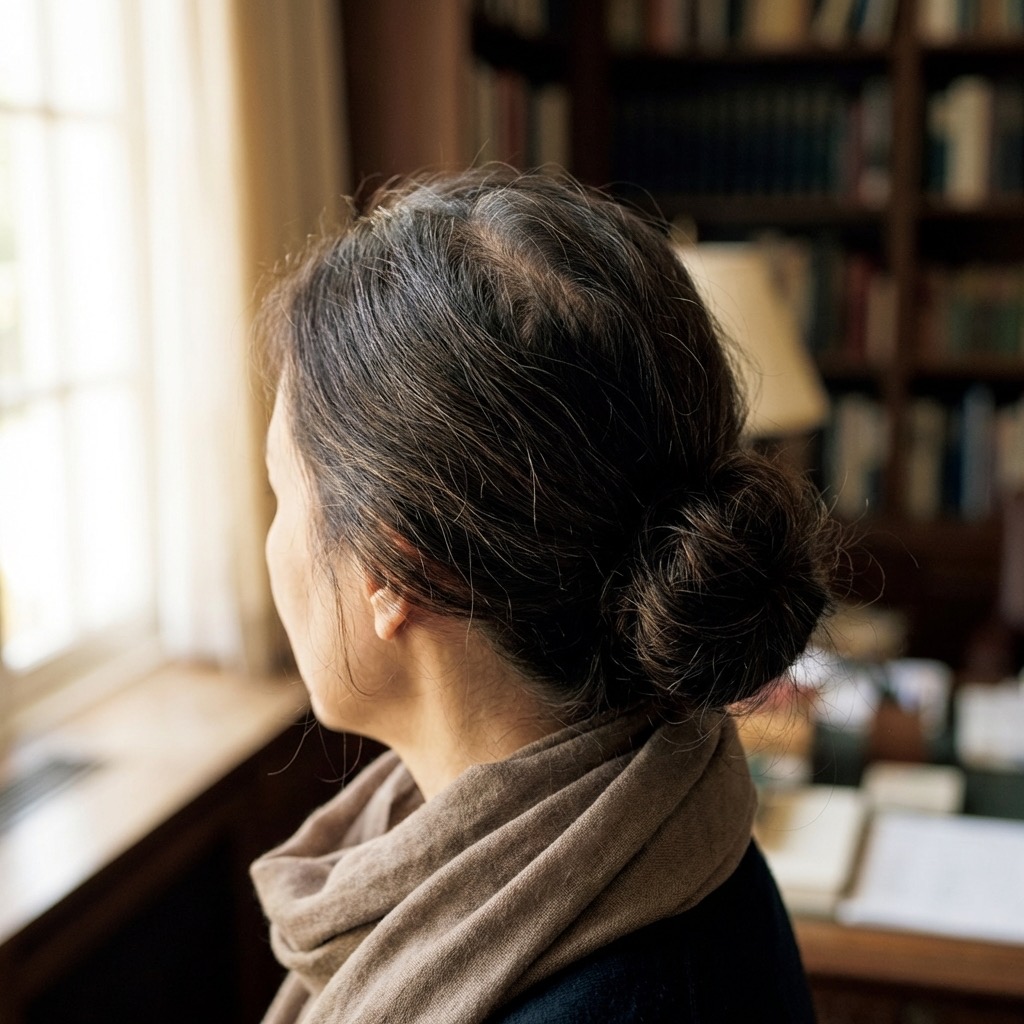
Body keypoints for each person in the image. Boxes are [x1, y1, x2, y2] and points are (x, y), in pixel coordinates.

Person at [252, 168, 834, 1023]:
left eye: (280, 495)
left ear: (393, 569)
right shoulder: (671, 817)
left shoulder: (621, 992)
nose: (271, 546)